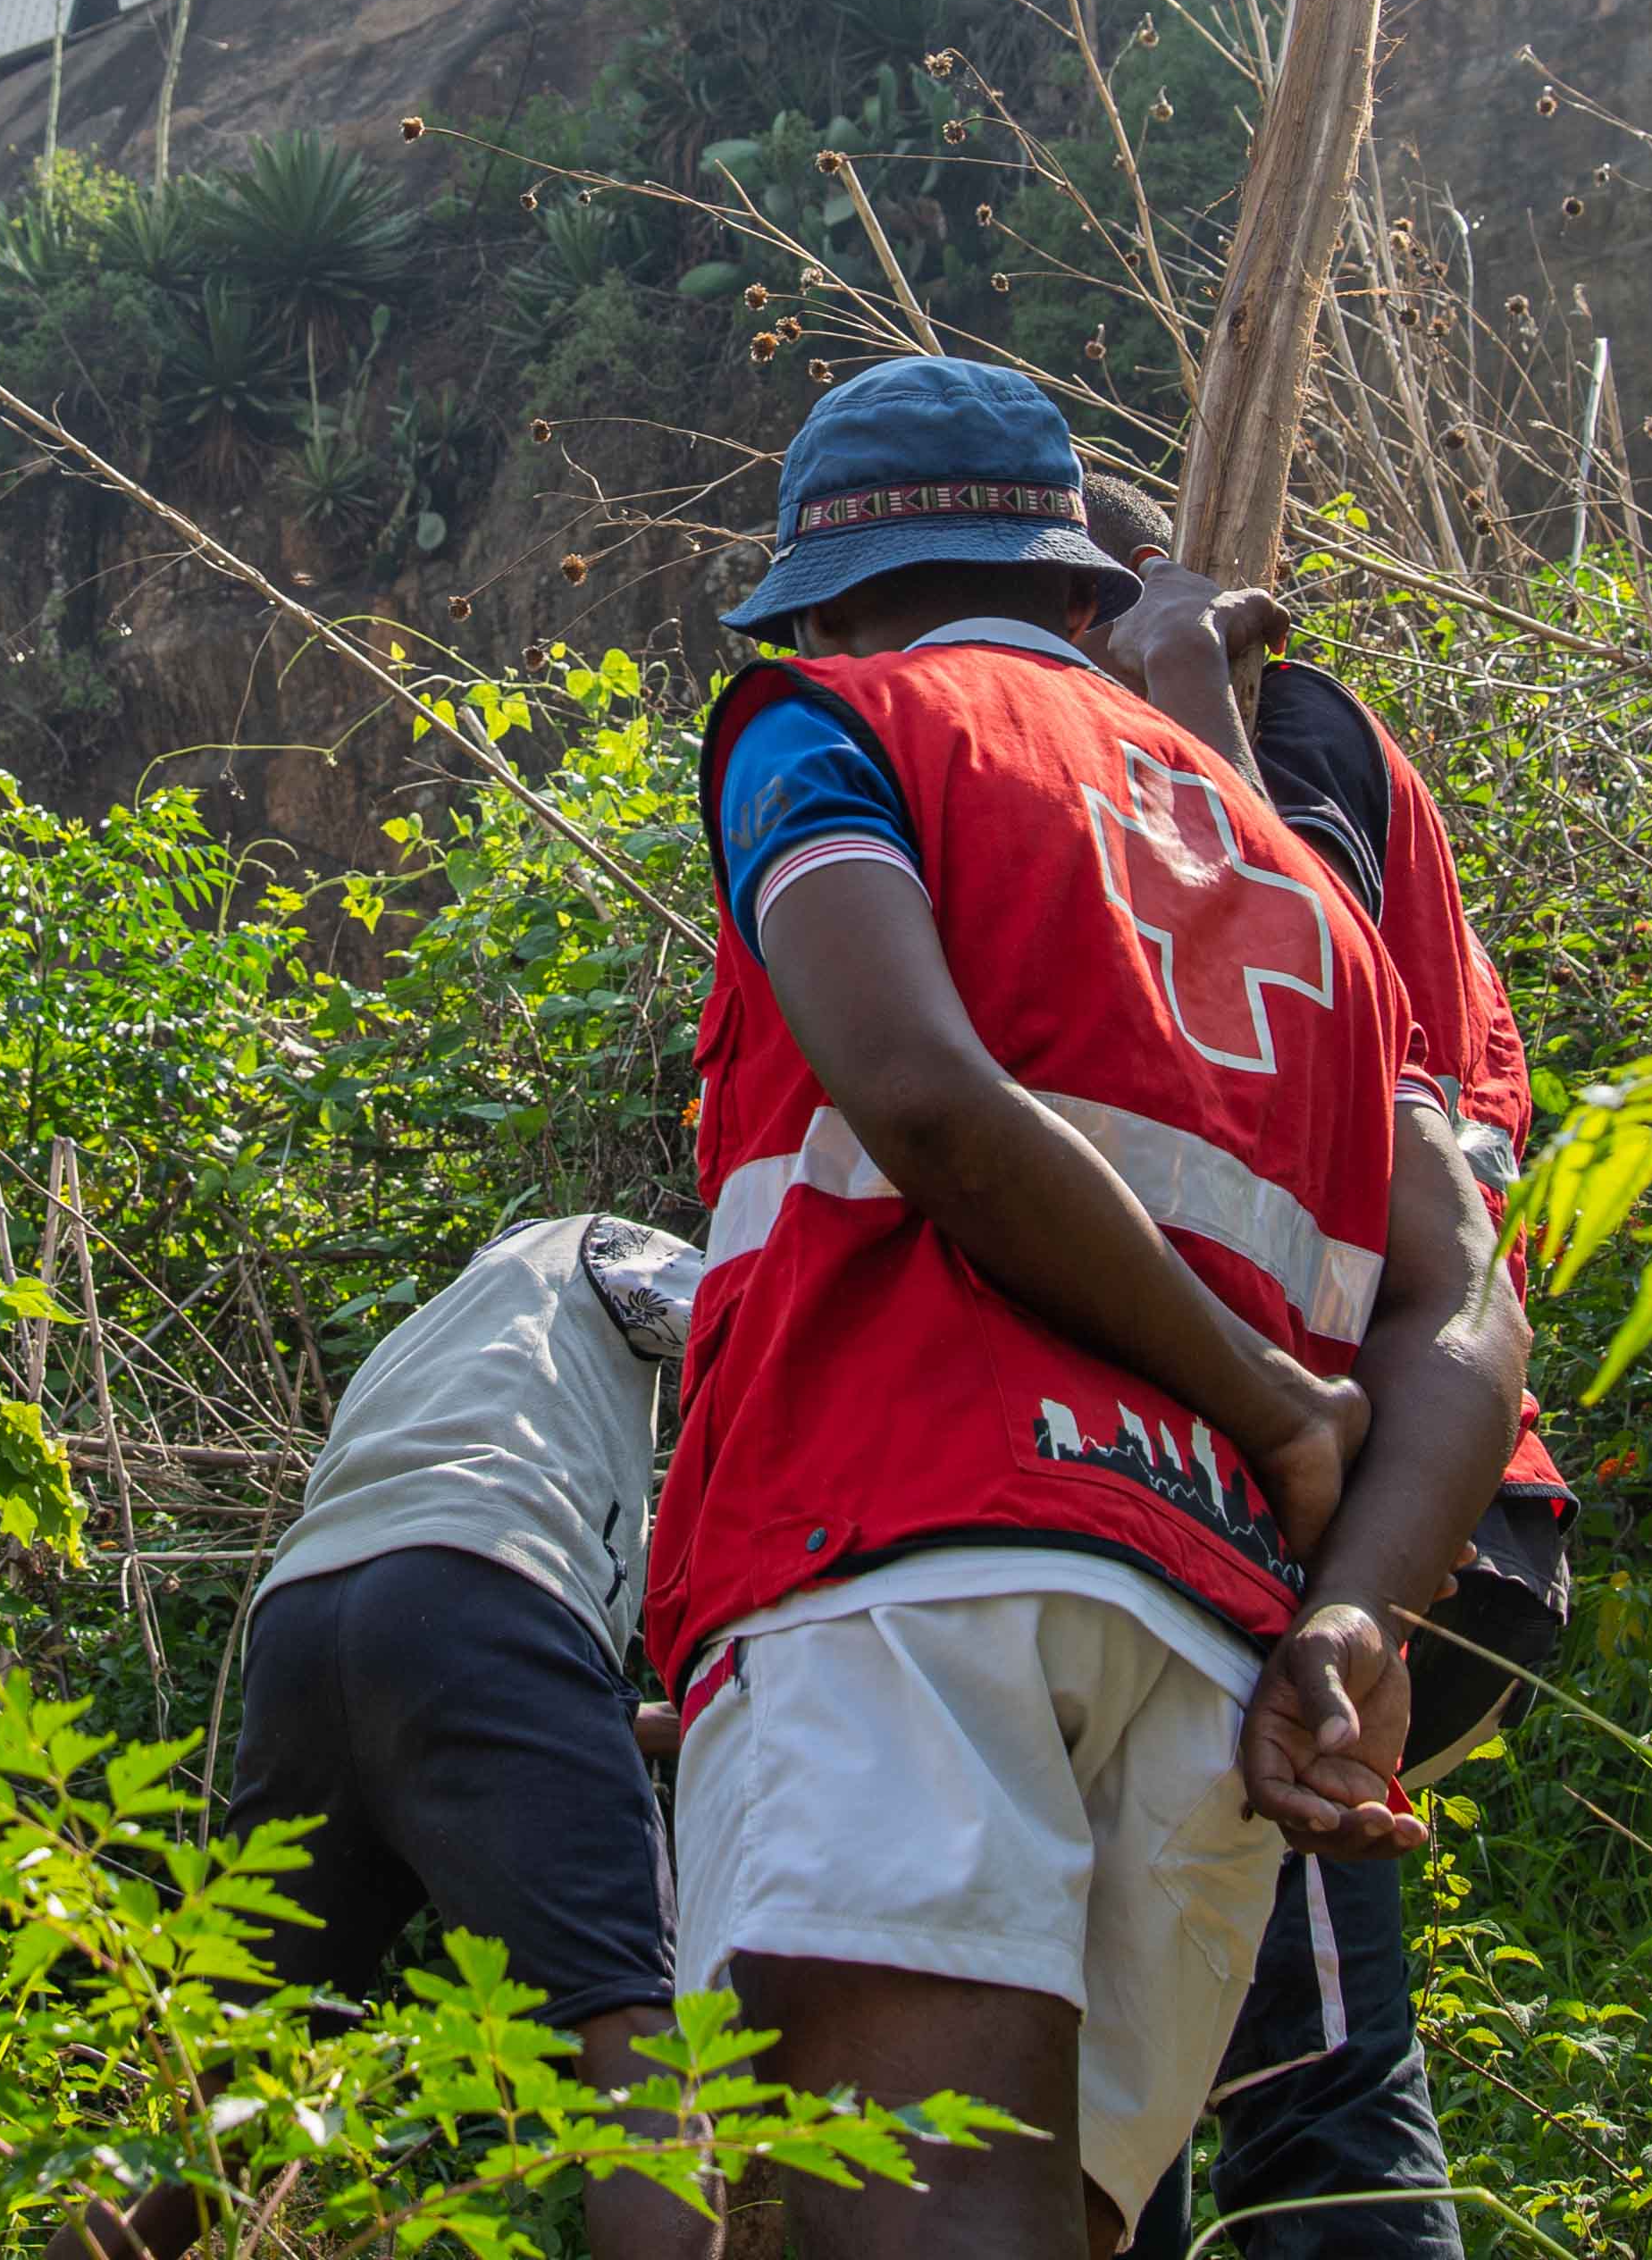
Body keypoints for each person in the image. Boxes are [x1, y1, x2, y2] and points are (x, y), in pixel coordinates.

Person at [650, 355, 1533, 2260]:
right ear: (1080, 591)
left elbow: (922, 1095)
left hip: (903, 1563)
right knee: (1047, 2220)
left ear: (811, 602)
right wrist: (1356, 1612)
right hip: (1210, 1647)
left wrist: (1279, 1407)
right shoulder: (1305, 883)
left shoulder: (828, 724)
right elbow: (1460, 1297)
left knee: (878, 2218)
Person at [1073, 483, 1578, 2260]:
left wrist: (1188, 716)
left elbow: (1304, 1023)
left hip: (1345, 1497)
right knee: (1107, 2075)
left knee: (1303, 2079)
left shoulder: (1268, 732)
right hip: (1303, 1478)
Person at [64, 1214, 717, 2260]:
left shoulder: (430, 1334)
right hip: (490, 1588)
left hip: (308, 1627)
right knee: (634, 2041)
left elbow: (440, 1695)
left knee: (234, 2089)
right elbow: (750, 1327)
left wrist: (653, 1722)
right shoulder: (600, 1244)